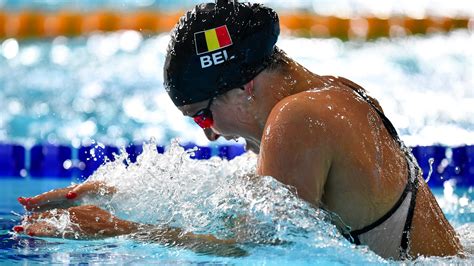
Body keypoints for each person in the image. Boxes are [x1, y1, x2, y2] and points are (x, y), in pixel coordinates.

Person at [14, 0, 463, 260]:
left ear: (243, 87)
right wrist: (124, 194)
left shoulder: (295, 119)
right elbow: (252, 205)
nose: (208, 135)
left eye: (203, 116)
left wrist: (117, 230)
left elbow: (255, 253)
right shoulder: (339, 92)